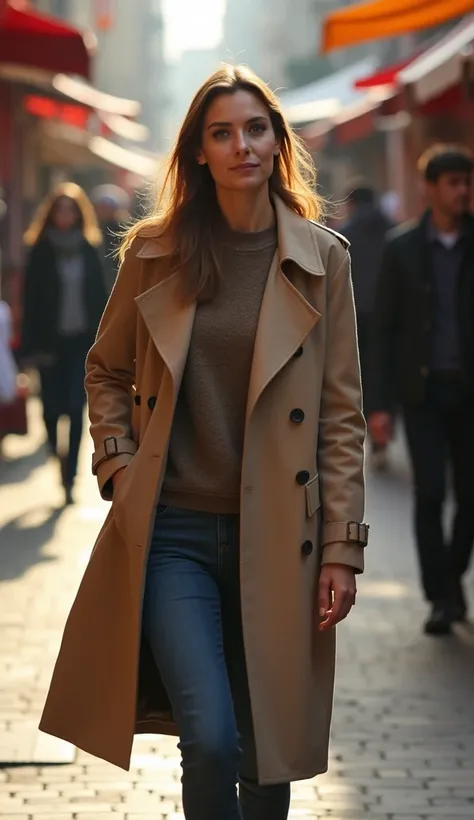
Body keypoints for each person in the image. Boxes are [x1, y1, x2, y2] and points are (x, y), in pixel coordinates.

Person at [39, 65, 369, 819]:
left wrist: (343, 547)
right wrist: (119, 465)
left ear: (277, 143)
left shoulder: (326, 259)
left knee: (265, 748)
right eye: (221, 133)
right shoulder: (156, 251)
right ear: (198, 152)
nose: (241, 146)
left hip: (280, 536)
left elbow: (342, 416)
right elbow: (105, 369)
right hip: (174, 534)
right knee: (211, 738)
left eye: (255, 129)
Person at [369, 144, 474, 636]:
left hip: (469, 393)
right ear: (430, 189)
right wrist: (380, 405)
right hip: (424, 394)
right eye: (452, 183)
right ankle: (439, 596)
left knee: (470, 497)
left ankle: (451, 578)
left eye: (466, 182)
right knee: (430, 492)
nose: (462, 192)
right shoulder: (401, 249)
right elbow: (383, 330)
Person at [22, 182, 107, 504]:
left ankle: (69, 477)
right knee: (50, 408)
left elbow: (100, 296)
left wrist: (104, 340)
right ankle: (52, 449)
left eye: (71, 210)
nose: (65, 215)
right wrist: (28, 345)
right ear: (51, 213)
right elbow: (29, 301)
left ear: (78, 214)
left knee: (74, 407)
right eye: (60, 209)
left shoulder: (88, 248)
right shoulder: (40, 249)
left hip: (80, 344)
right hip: (48, 343)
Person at [342, 184, 393, 467]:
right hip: (389, 316)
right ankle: (383, 432)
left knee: (363, 377)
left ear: (352, 203)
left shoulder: (345, 235)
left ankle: (373, 434)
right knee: (386, 374)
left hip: (358, 315)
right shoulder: (394, 231)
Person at [91, 184, 131, 294]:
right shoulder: (91, 229)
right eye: (102, 206)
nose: (104, 210)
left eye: (108, 206)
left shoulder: (125, 232)